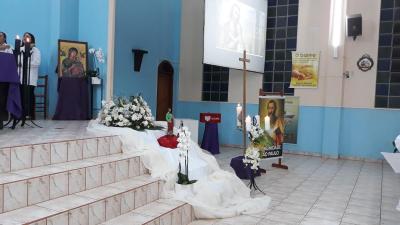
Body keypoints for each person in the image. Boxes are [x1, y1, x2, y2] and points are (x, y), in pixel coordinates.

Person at [18, 32, 41, 120]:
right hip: (20, 77)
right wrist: (24, 64)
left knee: (29, 95)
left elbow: (36, 63)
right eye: (24, 36)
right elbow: (17, 62)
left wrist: (23, 64)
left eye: (28, 36)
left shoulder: (36, 50)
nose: (25, 37)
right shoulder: (19, 49)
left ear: (32, 39)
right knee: (20, 95)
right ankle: (20, 114)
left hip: (31, 77)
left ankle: (29, 114)